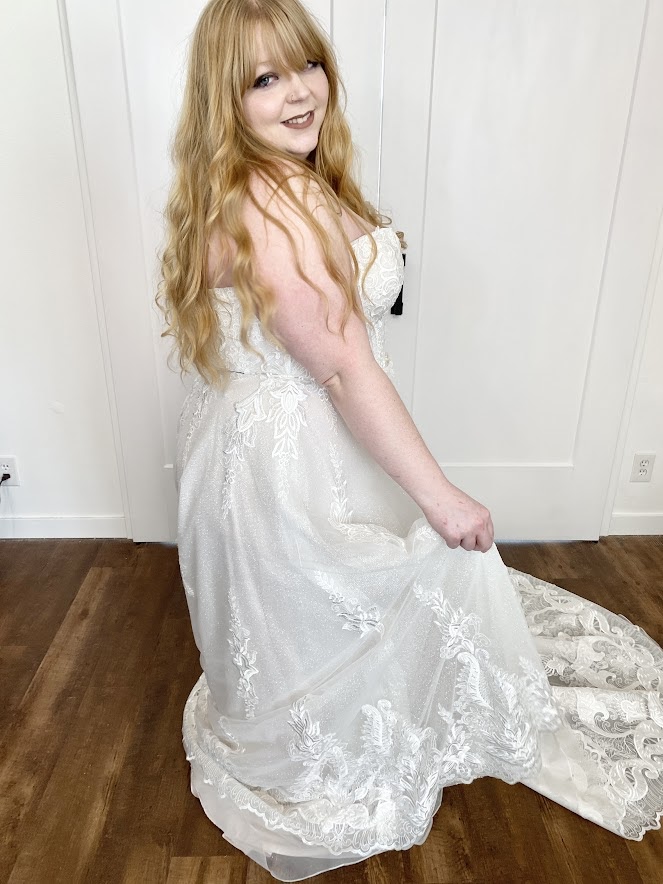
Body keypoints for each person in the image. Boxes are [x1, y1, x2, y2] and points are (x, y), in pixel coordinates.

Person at [157, 1, 663, 879]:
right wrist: (442, 498)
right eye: (264, 79)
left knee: (329, 619)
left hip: (275, 440)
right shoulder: (275, 200)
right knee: (347, 604)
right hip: (291, 456)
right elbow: (343, 365)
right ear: (223, 100)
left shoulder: (272, 179)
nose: (298, 92)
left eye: (305, 65)